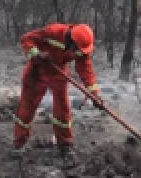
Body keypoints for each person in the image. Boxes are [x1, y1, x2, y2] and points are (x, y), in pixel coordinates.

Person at [14, 23, 101, 154]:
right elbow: (26, 39)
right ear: (71, 41)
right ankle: (19, 143)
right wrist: (37, 54)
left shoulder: (81, 48)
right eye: (77, 49)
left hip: (58, 71)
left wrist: (94, 93)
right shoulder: (52, 32)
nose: (79, 53)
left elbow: (85, 69)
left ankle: (65, 143)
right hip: (37, 71)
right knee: (27, 108)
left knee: (62, 108)